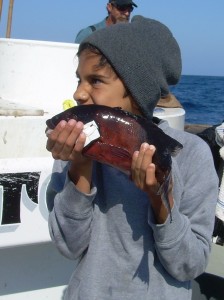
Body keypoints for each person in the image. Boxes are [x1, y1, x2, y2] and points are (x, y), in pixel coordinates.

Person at [46, 16, 219, 300]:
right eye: (79, 79)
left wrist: (160, 200)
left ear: (137, 90)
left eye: (95, 81)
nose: (78, 92)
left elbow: (191, 264)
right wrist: (80, 169)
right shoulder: (76, 151)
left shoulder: (192, 157)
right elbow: (68, 246)